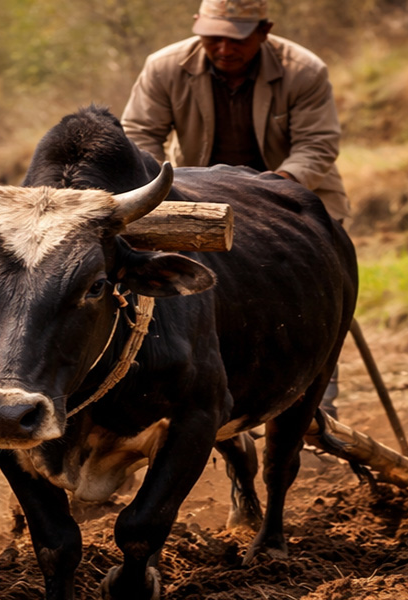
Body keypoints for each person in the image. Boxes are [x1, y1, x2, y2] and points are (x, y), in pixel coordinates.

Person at [120, 0, 346, 416]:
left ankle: (316, 390)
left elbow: (318, 144)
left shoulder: (303, 69)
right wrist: (156, 187)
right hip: (199, 196)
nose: (224, 47)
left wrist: (276, 189)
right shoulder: (164, 66)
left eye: (237, 37)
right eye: (213, 36)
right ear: (196, 26)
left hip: (289, 198)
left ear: (264, 31)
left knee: (313, 296)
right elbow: (140, 135)